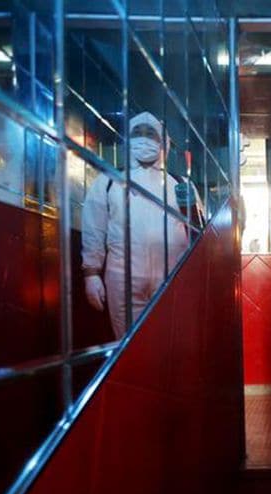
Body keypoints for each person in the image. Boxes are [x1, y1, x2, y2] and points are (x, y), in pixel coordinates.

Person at [81, 111, 190, 339]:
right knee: (128, 344)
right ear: (127, 140)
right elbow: (94, 229)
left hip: (172, 276)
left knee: (169, 339)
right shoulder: (109, 181)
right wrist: (91, 273)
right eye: (137, 133)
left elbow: (197, 230)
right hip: (123, 277)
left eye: (151, 134)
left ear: (163, 142)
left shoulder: (180, 185)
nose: (144, 138)